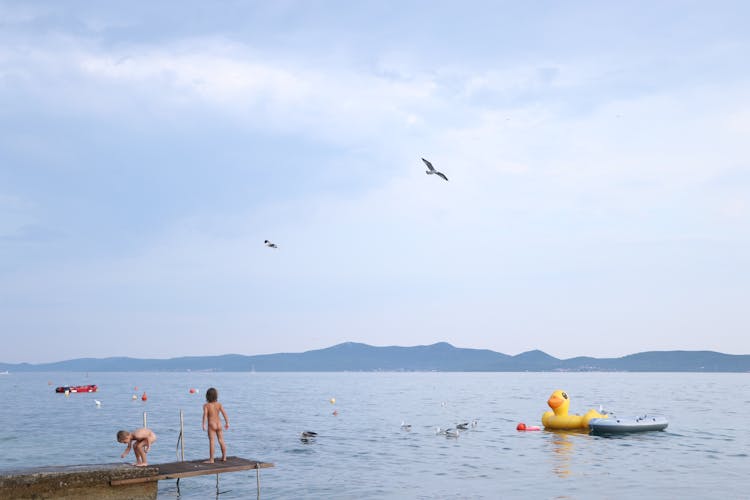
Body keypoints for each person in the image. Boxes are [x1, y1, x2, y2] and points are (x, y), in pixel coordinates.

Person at [202, 387, 229, 463]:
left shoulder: (206, 405)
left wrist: (203, 424)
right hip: (219, 424)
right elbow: (224, 413)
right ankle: (224, 457)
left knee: (212, 441)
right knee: (221, 440)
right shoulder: (219, 404)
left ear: (207, 396)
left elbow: (205, 415)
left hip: (211, 425)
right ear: (216, 396)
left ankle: (211, 459)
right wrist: (227, 422)